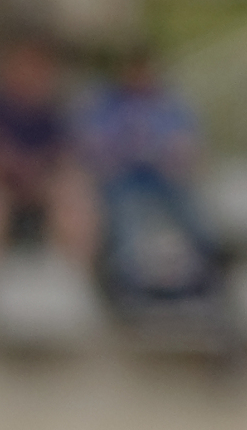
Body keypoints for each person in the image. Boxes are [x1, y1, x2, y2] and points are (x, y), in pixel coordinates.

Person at [84, 41, 218, 311]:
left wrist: (177, 156)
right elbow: (92, 148)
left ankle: (209, 272)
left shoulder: (172, 105)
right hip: (124, 182)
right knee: (127, 218)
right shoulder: (104, 105)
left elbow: (192, 149)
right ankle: (128, 286)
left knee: (194, 213)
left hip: (165, 181)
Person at [0, 33, 93, 272]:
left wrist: (40, 173)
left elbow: (66, 150)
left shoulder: (53, 107)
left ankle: (73, 270)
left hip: (43, 182)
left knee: (74, 195)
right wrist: (7, 167)